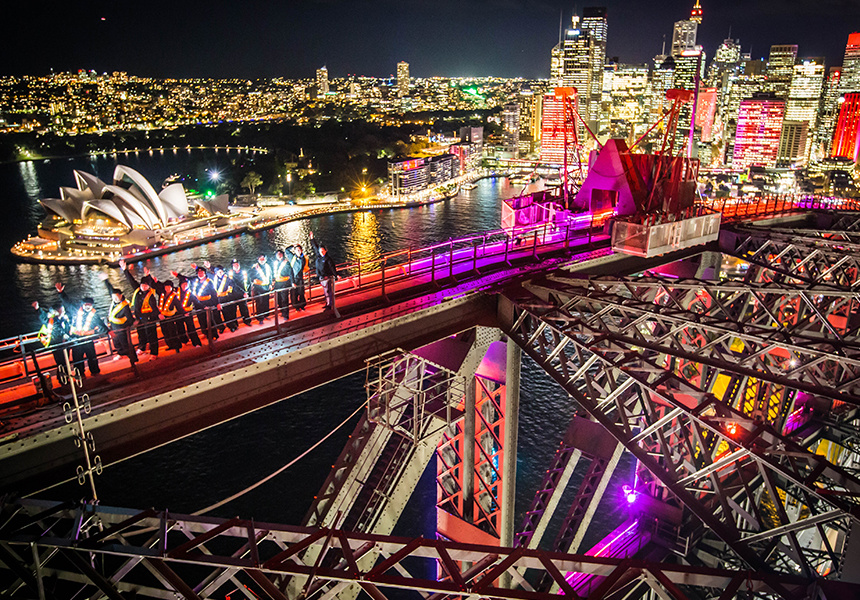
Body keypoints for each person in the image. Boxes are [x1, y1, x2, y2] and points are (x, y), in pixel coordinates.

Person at [121, 261, 160, 356]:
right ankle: (142, 348)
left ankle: (154, 353)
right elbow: (131, 280)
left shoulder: (151, 294)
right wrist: (125, 269)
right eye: (142, 284)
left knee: (152, 335)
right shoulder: (137, 290)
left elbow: (154, 307)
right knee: (141, 334)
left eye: (146, 285)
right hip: (139, 318)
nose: (143, 286)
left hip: (149, 318)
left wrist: (157, 315)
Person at [98, 275, 137, 364]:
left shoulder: (124, 306)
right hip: (114, 327)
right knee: (117, 343)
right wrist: (105, 280)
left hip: (122, 328)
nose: (114, 299)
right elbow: (110, 289)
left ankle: (133, 359)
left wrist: (130, 325)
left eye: (116, 297)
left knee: (126, 344)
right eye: (113, 297)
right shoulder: (114, 302)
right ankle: (121, 354)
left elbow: (130, 318)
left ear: (121, 296)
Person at [68, 296, 103, 377]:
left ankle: (95, 372)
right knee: (77, 359)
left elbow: (101, 324)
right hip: (77, 340)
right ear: (82, 305)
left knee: (92, 357)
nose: (87, 306)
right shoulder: (76, 312)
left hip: (88, 340)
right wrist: (61, 293)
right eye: (86, 304)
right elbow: (68, 303)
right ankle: (80, 374)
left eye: (89, 305)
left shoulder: (94, 315)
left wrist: (108, 331)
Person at [309, 230, 340, 318]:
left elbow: (332, 267)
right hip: (321, 277)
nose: (321, 252)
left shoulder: (328, 259)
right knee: (325, 291)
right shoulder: (319, 256)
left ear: (326, 251)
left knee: (328, 291)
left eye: (323, 251)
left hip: (327, 277)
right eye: (320, 251)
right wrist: (312, 239)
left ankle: (330, 305)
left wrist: (335, 275)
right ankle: (328, 303)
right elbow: (315, 247)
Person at [33, 300, 70, 371]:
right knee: (61, 363)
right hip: (56, 344)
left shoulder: (64, 319)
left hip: (65, 344)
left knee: (66, 362)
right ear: (56, 312)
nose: (64, 312)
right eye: (61, 310)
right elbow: (43, 317)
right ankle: (62, 379)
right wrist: (37, 309)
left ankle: (66, 377)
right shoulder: (51, 321)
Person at [191, 265, 221, 340]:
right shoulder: (196, 282)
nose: (200, 274)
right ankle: (206, 334)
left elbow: (214, 293)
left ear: (205, 273)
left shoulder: (209, 282)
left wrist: (217, 303)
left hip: (208, 303)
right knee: (201, 320)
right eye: (199, 273)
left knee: (210, 320)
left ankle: (214, 335)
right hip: (198, 304)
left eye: (202, 272)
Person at [176, 275, 203, 347]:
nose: (185, 286)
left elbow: (197, 302)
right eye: (183, 284)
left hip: (188, 313)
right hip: (179, 313)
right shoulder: (176, 292)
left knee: (191, 328)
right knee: (180, 328)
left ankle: (196, 343)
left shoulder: (190, 294)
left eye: (186, 284)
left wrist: (204, 307)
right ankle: (184, 341)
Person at [157, 279, 183, 352]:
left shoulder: (174, 296)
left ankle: (177, 346)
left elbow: (179, 306)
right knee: (165, 332)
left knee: (172, 332)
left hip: (170, 317)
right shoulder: (162, 294)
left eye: (169, 287)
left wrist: (184, 313)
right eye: (166, 287)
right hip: (162, 317)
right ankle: (170, 345)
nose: (167, 288)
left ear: (172, 287)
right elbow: (156, 286)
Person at [228, 259, 253, 328]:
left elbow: (248, 283)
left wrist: (247, 292)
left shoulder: (244, 272)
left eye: (237, 264)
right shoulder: (230, 274)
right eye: (234, 265)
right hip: (233, 295)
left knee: (244, 309)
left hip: (243, 295)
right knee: (233, 311)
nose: (236, 266)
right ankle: (235, 324)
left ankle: (247, 321)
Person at [251, 254, 273, 323]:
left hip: (266, 287)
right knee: (259, 303)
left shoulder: (267, 266)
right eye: (261, 259)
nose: (262, 260)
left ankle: (266, 315)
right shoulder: (255, 267)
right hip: (258, 288)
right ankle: (260, 318)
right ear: (258, 260)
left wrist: (270, 284)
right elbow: (251, 277)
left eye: (263, 258)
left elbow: (270, 275)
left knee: (266, 301)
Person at [285, 244, 308, 310]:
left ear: (301, 250)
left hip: (300, 278)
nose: (298, 251)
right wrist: (292, 245)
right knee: (294, 293)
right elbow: (286, 250)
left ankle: (302, 305)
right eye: (297, 250)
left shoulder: (303, 258)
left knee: (301, 292)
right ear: (294, 251)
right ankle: (296, 306)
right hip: (293, 278)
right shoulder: (292, 257)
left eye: (299, 250)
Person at [273, 249, 292, 320]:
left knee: (284, 299)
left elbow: (290, 272)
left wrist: (291, 282)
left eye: (280, 254)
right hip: (277, 283)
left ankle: (286, 315)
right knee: (278, 299)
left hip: (284, 283)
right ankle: (282, 311)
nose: (279, 255)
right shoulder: (275, 263)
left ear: (282, 255)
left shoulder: (286, 262)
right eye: (277, 254)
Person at [213, 265, 233, 333]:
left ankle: (231, 326)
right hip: (216, 300)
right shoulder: (213, 279)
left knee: (227, 313)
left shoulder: (228, 279)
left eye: (221, 271)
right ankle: (221, 327)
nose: (220, 273)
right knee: (216, 315)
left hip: (225, 299)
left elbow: (231, 288)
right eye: (218, 272)